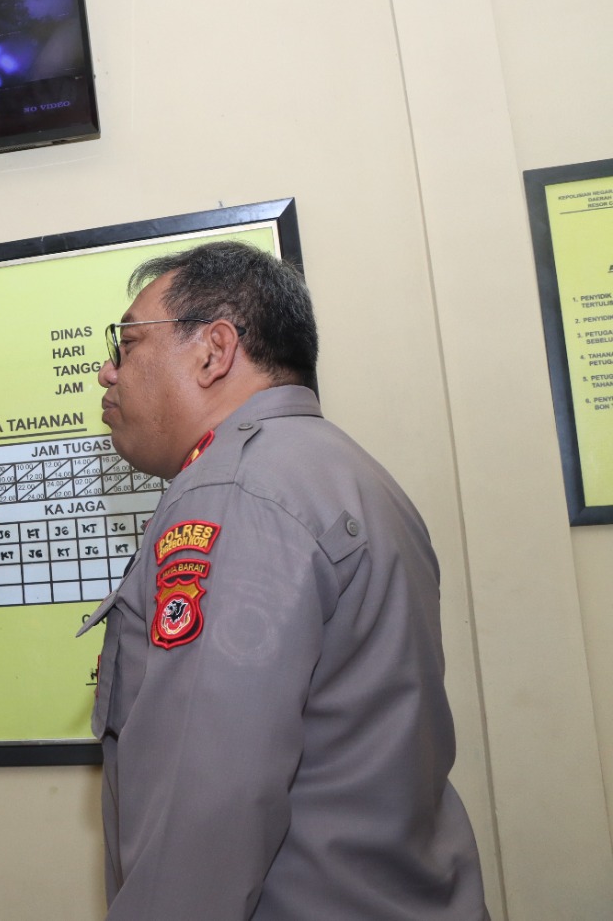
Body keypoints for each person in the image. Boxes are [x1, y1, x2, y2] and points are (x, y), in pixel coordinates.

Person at [79, 242, 489, 920]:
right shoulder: (350, 473)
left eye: (126, 344)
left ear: (214, 351)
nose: (107, 371)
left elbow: (205, 804)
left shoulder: (233, 493)